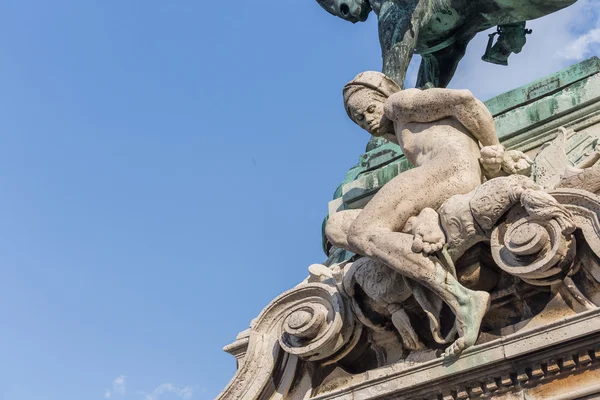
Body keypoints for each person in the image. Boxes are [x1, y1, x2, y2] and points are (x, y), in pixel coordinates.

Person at [326, 71, 530, 356]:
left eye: (371, 109)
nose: (368, 121)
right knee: (338, 227)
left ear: (384, 96)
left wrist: (494, 146)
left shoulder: (399, 103)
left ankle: (462, 300)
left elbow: (464, 100)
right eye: (359, 119)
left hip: (448, 172)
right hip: (445, 177)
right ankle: (426, 246)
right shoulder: (401, 128)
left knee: (362, 231)